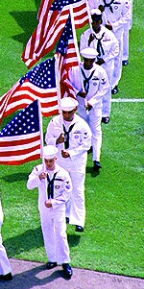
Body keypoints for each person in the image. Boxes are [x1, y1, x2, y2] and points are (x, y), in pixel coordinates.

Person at [45, 98, 92, 232]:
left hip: (76, 162)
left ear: (75, 110)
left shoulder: (82, 125)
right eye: (64, 112)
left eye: (69, 112)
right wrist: (56, 140)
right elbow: (47, 139)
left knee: (77, 190)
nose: (66, 115)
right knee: (61, 188)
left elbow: (86, 145)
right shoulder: (55, 122)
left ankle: (78, 220)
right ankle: (65, 214)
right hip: (60, 161)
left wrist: (71, 153)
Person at [26, 145, 73, 279]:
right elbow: (29, 186)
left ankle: (65, 262)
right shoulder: (38, 170)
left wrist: (53, 202)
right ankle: (52, 258)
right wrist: (38, 178)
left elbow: (67, 193)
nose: (48, 164)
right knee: (47, 232)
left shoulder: (63, 174)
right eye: (46, 161)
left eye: (51, 161)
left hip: (57, 209)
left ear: (55, 159)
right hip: (44, 209)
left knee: (60, 234)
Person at [66, 48, 110, 170]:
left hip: (95, 107)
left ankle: (96, 159)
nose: (88, 63)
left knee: (96, 130)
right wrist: (78, 92)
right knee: (82, 130)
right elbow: (67, 83)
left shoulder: (100, 71)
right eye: (86, 61)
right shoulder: (75, 70)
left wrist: (93, 101)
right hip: (80, 106)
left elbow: (104, 87)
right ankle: (81, 153)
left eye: (91, 61)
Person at [87, 0, 131, 81]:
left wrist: (114, 25)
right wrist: (97, 13)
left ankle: (114, 82)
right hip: (99, 32)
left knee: (116, 56)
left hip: (116, 32)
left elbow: (127, 16)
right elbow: (88, 11)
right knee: (97, 55)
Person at [79, 9, 120, 123]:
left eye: (97, 22)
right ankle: (89, 112)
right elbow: (82, 50)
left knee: (106, 89)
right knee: (92, 89)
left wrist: (104, 60)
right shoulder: (86, 35)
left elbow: (115, 50)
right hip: (91, 66)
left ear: (101, 21)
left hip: (106, 66)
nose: (95, 24)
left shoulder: (109, 35)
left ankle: (105, 113)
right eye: (93, 22)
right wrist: (89, 42)